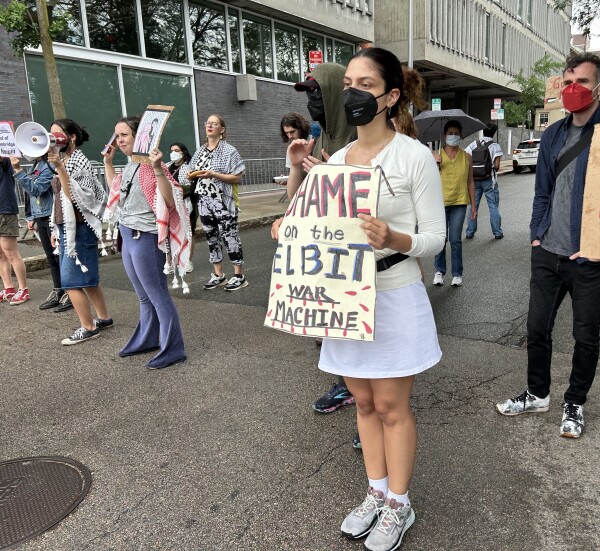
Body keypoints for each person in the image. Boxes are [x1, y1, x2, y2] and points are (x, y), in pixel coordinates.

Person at [286, 47, 446, 550]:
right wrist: (295, 184)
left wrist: (393, 238)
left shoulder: (413, 156)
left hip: (395, 294)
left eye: (365, 84)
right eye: (347, 83)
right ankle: (375, 494)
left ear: (391, 96)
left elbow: (435, 239)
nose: (351, 92)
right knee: (363, 402)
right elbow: (313, 223)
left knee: (393, 406)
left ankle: (400, 503)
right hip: (344, 297)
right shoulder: (335, 160)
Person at [496, 52, 600, 439]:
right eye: (569, 81)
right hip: (548, 253)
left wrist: (595, 242)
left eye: (583, 82)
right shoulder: (555, 133)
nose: (574, 89)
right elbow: (543, 191)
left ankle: (575, 402)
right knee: (537, 328)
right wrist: (537, 233)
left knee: (586, 336)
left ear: (597, 88)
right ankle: (538, 393)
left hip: (589, 258)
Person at [292, 63, 359, 417]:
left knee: (360, 328)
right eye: (308, 94)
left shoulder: (360, 138)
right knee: (333, 328)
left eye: (317, 92)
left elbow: (376, 204)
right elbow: (300, 197)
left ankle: (370, 407)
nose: (312, 101)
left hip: (363, 255)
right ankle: (347, 386)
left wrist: (332, 174)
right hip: (328, 250)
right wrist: (298, 167)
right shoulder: (327, 136)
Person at [103, 115, 190, 370]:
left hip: (146, 236)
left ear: (140, 136)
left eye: (124, 135)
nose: (119, 140)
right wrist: (107, 162)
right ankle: (149, 339)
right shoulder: (130, 164)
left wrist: (157, 168)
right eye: (116, 135)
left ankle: (173, 348)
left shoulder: (152, 165)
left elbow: (170, 200)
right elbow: (117, 192)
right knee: (143, 296)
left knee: (158, 295)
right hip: (128, 234)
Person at [47, 118, 112, 345]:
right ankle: (103, 318)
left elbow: (74, 196)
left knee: (71, 282)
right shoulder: (66, 159)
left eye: (57, 135)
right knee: (88, 280)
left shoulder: (79, 161)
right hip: (69, 227)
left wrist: (59, 168)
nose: (52, 139)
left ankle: (88, 326)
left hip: (80, 228)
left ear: (71, 137)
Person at [181, 115, 247, 292]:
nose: (209, 125)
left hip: (223, 199)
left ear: (222, 129)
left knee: (230, 235)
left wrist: (214, 174)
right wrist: (190, 174)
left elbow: (238, 177)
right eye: (207, 123)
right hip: (204, 199)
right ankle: (219, 275)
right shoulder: (201, 150)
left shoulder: (229, 151)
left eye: (214, 123)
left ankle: (238, 275)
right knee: (211, 236)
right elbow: (192, 169)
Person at [11, 153, 73, 311]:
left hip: (51, 216)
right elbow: (29, 194)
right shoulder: (35, 166)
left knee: (60, 256)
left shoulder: (49, 166)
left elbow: (36, 189)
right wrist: (31, 215)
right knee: (51, 257)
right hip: (40, 216)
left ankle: (70, 293)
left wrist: (18, 170)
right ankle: (58, 290)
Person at [432, 120, 477, 287]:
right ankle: (439, 271)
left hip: (459, 203)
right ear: (444, 136)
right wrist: (434, 165)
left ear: (461, 136)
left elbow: (470, 181)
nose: (453, 136)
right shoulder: (435, 156)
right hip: (439, 204)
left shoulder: (466, 157)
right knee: (440, 239)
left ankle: (457, 273)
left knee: (455, 239)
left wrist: (474, 205)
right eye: (450, 133)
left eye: (456, 133)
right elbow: (427, 180)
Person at [464, 123, 504, 239]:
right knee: (493, 206)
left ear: (483, 131)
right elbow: (496, 166)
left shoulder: (473, 144)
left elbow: (466, 157)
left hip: (474, 180)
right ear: (494, 133)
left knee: (473, 205)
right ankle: (497, 232)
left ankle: (470, 232)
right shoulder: (495, 146)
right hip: (489, 180)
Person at [0, 156, 29, 305]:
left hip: (5, 210)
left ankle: (23, 289)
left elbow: (7, 151)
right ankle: (8, 288)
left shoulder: (5, 162)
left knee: (10, 252)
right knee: (0, 253)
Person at [168, 142, 196, 270]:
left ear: (183, 152)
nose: (173, 153)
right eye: (172, 150)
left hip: (187, 204)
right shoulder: (168, 167)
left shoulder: (189, 167)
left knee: (188, 233)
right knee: (172, 233)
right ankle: (173, 260)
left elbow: (192, 186)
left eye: (177, 150)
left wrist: (178, 190)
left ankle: (187, 261)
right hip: (171, 205)